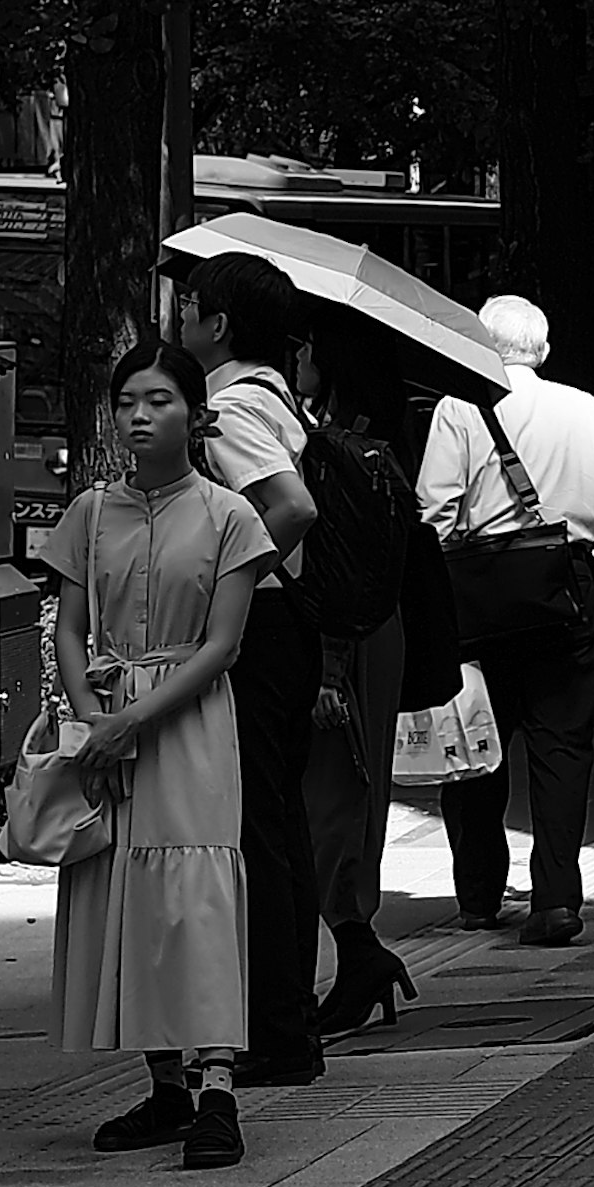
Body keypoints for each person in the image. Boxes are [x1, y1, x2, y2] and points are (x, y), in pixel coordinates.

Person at [28, 338, 273, 1167]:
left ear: (195, 415)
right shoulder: (89, 514)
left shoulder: (230, 516)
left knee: (195, 896)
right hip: (107, 721)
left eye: (159, 399)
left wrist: (132, 721)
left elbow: (222, 646)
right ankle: (165, 1084)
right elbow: (66, 626)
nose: (139, 414)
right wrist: (93, 713)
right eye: (128, 399)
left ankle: (217, 1091)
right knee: (122, 890)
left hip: (191, 724)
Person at [415, 292, 594, 945]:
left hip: (480, 595)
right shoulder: (584, 408)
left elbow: (433, 513)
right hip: (568, 587)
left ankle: (478, 897)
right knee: (562, 746)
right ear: (543, 350)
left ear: (482, 347)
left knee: (478, 744)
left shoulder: (460, 408)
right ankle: (555, 898)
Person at [180, 250, 328, 1089]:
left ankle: (275, 1033)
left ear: (219, 324)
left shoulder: (232, 407)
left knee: (259, 836)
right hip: (288, 631)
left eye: (189, 305)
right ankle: (287, 1022)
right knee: (280, 830)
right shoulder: (280, 397)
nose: (179, 319)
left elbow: (292, 507)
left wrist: (230, 581)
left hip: (263, 631)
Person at [300, 309, 427, 1034]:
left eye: (310, 346)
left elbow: (337, 569)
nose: (300, 358)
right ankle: (359, 951)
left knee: (334, 797)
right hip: (373, 632)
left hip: (343, 640)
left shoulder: (339, 448)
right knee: (351, 794)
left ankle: (357, 949)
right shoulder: (378, 440)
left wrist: (327, 667)